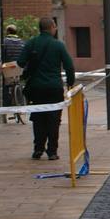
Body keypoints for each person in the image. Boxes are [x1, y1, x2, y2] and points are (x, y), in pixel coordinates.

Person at [15, 16, 75, 161]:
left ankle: (38, 149)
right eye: (55, 27)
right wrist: (70, 84)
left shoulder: (31, 43)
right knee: (54, 119)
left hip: (36, 88)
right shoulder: (58, 45)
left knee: (38, 118)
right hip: (54, 87)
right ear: (52, 27)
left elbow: (20, 62)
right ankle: (52, 151)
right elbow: (69, 66)